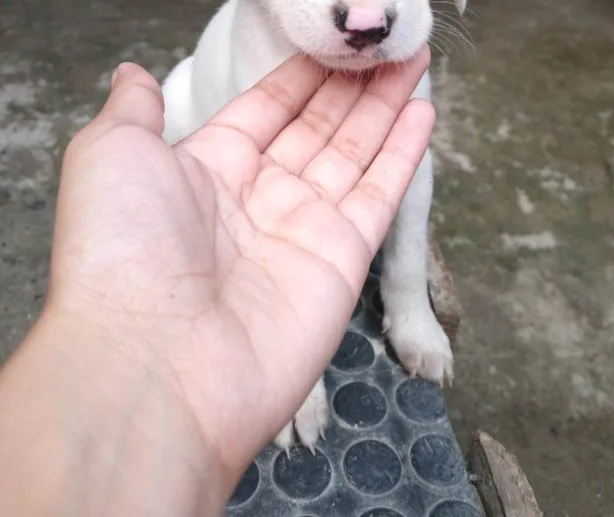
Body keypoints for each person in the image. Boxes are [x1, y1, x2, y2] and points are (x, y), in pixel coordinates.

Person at [0, 49, 434, 516]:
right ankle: (291, 378)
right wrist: (116, 328)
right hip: (224, 164)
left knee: (397, 151)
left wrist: (410, 297)